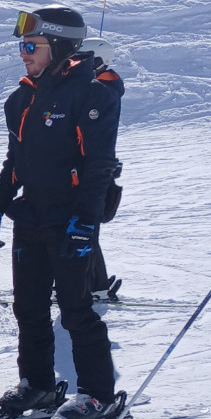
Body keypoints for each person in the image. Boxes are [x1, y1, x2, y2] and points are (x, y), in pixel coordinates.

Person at [0, 7, 122, 419]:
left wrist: (86, 223)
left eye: (30, 46)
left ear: (58, 46)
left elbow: (99, 166)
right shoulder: (21, 98)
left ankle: (97, 393)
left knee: (77, 309)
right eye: (22, 47)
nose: (22, 54)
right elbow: (14, 163)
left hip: (70, 217)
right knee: (28, 307)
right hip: (32, 214)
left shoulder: (92, 96)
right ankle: (38, 385)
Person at [81, 37, 125, 299]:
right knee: (83, 225)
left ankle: (94, 285)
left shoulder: (102, 90)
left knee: (83, 225)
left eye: (86, 58)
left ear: (98, 60)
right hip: (92, 166)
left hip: (93, 168)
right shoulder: (101, 87)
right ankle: (94, 282)